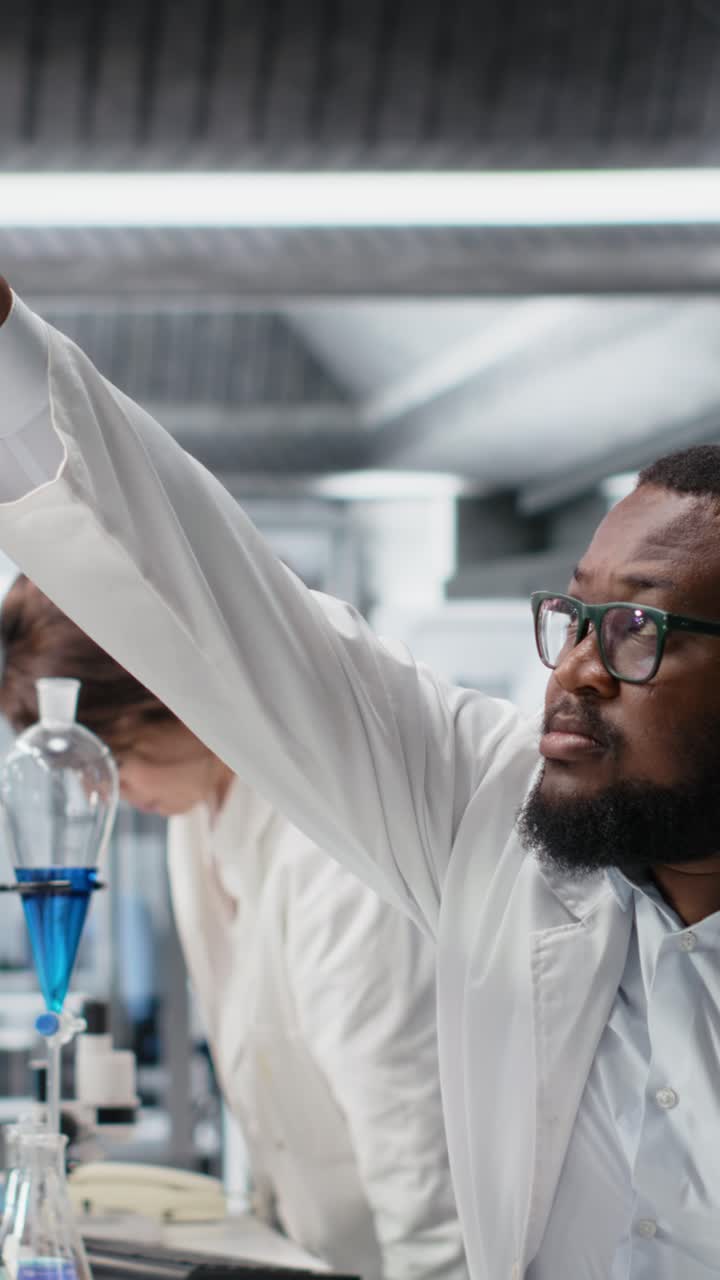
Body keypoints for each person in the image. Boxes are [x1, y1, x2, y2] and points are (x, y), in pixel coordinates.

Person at [1, 280, 720, 1278]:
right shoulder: (488, 818)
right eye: (576, 613)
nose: (577, 668)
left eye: (640, 627)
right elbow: (210, 591)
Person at [0, 575, 467, 1280]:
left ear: (178, 699)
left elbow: (417, 1153)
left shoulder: (333, 840)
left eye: (119, 758)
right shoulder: (200, 815)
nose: (116, 795)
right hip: (317, 1247)